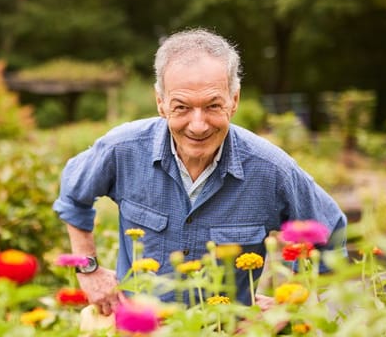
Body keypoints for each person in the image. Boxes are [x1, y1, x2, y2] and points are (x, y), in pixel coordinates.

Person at [53, 28, 347, 315]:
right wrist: (87, 268)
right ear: (161, 102)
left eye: (212, 105)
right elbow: (73, 194)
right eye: (181, 107)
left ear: (234, 100)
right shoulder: (123, 149)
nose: (198, 124)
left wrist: (287, 309)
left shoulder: (271, 170)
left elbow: (328, 233)